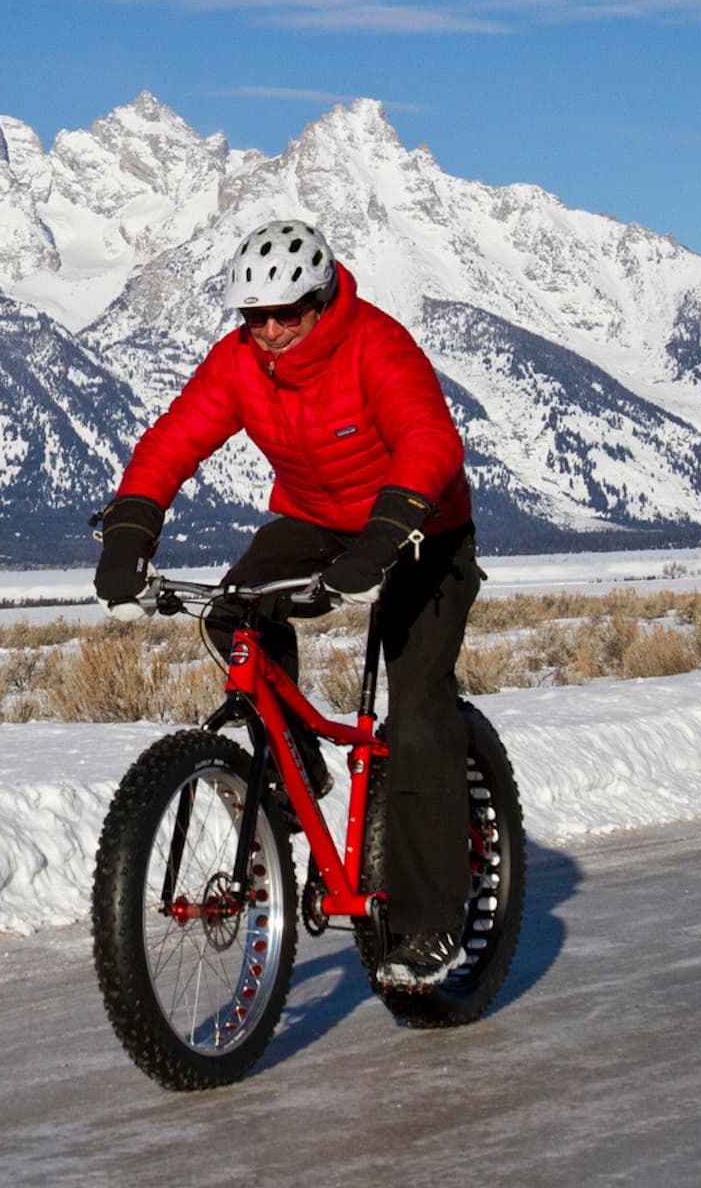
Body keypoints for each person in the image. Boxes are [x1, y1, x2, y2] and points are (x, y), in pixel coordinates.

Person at [93, 218, 482, 988]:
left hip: (422, 526)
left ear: (323, 297)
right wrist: (130, 532)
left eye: (286, 313)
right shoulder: (241, 363)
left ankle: (434, 925)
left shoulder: (377, 345)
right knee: (235, 609)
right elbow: (173, 441)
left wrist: (381, 545)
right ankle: (293, 765)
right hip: (318, 519)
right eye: (254, 317)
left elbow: (429, 443)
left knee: (418, 715)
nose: (270, 332)